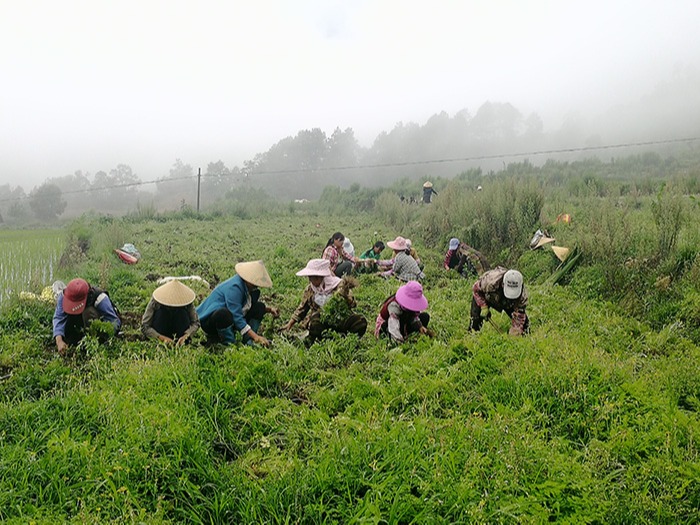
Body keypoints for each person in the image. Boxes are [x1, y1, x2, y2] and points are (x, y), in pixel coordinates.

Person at [280, 259, 367, 344]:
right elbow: (302, 308)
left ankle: (345, 339)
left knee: (360, 322)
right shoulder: (310, 289)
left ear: (319, 277)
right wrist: (289, 324)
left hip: (340, 320)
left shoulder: (339, 285)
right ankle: (325, 339)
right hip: (321, 323)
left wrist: (345, 296)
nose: (309, 280)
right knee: (315, 321)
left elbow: (353, 304)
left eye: (311, 277)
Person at [196, 260, 279, 347]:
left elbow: (246, 306)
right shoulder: (235, 287)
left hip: (230, 318)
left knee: (260, 306)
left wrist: (269, 310)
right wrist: (256, 337)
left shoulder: (250, 289)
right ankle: (229, 343)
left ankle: (249, 339)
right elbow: (236, 315)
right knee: (223, 314)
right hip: (212, 321)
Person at [53, 278, 122, 355]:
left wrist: (105, 335)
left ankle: (93, 343)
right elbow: (59, 317)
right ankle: (73, 339)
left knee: (89, 313)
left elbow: (114, 322)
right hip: (77, 324)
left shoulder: (100, 298)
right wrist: (59, 341)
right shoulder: (64, 296)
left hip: (93, 325)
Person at [470, 267, 529, 336]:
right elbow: (476, 290)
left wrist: (516, 329)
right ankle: (472, 336)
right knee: (475, 319)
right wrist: (483, 305)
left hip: (508, 304)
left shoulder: (522, 296)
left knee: (525, 325)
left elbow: (520, 314)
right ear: (503, 284)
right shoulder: (490, 281)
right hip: (487, 296)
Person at [141, 280, 200, 345]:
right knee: (161, 312)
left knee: (182, 313)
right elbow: (145, 326)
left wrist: (186, 335)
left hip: (179, 331)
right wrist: (161, 338)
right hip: (161, 330)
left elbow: (196, 323)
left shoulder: (187, 303)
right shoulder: (155, 301)